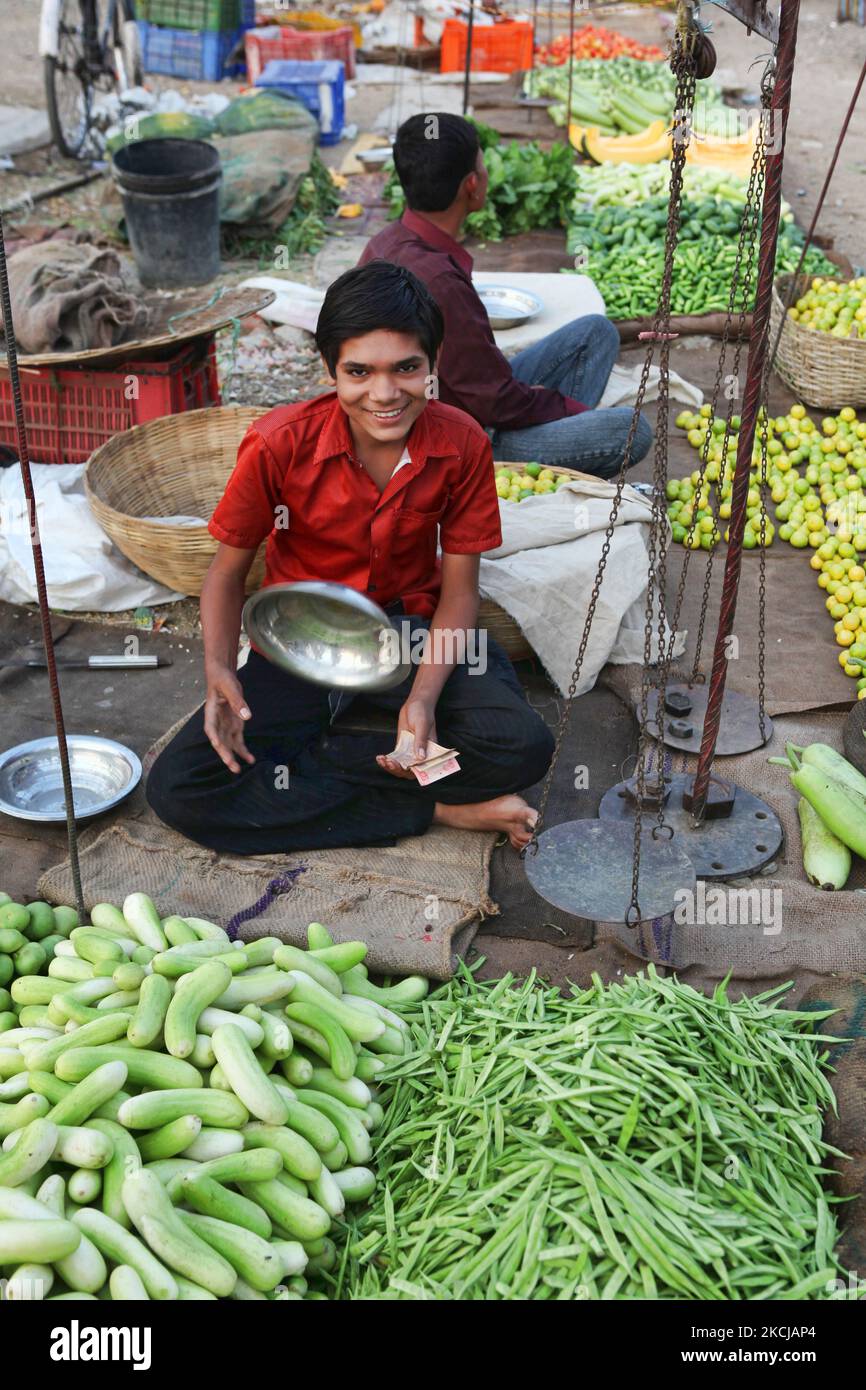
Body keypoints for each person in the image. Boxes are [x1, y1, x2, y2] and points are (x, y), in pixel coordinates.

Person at [146, 261, 554, 857]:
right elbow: (227, 571)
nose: (384, 395)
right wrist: (219, 672)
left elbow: (460, 590)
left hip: (409, 634)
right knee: (183, 788)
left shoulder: (462, 443)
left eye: (407, 369)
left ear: (433, 366)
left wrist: (421, 701)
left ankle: (311, 761)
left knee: (521, 746)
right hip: (300, 641)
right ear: (329, 370)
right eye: (358, 372)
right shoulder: (277, 443)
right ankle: (437, 805)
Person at [359, 112, 652, 480]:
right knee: (631, 431)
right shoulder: (439, 282)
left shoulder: (383, 242)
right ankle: (533, 464)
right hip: (457, 440)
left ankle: (551, 442)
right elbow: (492, 400)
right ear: (471, 185)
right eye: (482, 167)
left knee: (596, 332)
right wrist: (559, 406)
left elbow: (479, 379)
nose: (485, 176)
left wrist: (538, 400)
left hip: (457, 402)